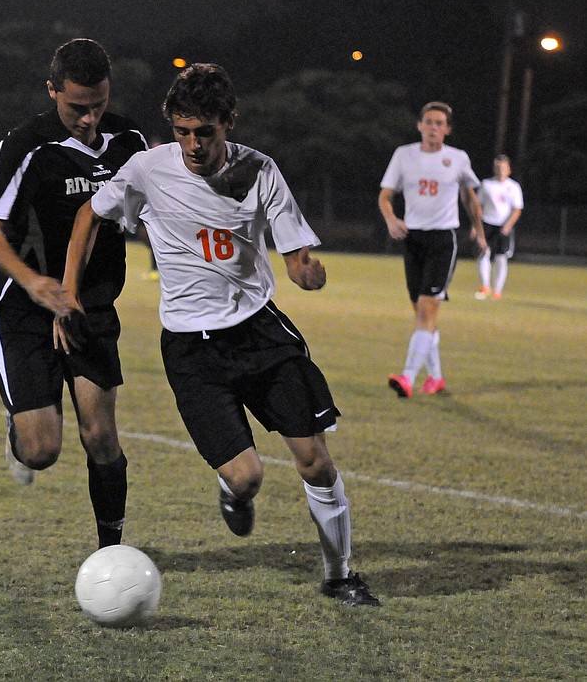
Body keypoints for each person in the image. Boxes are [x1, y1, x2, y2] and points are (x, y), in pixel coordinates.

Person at [59, 63, 379, 605]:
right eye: (182, 131)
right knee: (248, 477)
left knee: (314, 459)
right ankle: (235, 491)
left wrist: (306, 272)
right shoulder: (146, 170)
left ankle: (339, 576)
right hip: (190, 349)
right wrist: (69, 291)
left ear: (227, 123)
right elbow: (89, 213)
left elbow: (297, 252)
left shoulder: (259, 170)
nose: (192, 144)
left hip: (259, 332)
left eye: (203, 132)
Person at [0, 39, 147, 550]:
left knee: (99, 434)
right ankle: (18, 431)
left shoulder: (129, 142)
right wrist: (35, 284)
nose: (90, 119)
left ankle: (110, 554)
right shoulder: (27, 144)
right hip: (26, 308)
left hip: (90, 307)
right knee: (42, 451)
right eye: (77, 107)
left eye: (98, 104)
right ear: (52, 91)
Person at [378, 101, 487, 398]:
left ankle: (407, 378)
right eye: (429, 122)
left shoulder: (458, 159)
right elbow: (385, 196)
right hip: (414, 240)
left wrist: (478, 229)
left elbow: (469, 197)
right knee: (421, 314)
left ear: (447, 130)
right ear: (419, 126)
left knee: (426, 310)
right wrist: (391, 219)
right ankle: (436, 378)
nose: (433, 128)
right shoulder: (404, 155)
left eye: (440, 123)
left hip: (442, 241)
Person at [472, 154, 523, 300]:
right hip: (487, 223)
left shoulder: (513, 187)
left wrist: (508, 225)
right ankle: (485, 285)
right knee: (483, 253)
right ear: (494, 169)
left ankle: (497, 291)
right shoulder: (487, 184)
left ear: (509, 170)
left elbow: (517, 209)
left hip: (504, 226)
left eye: (503, 168)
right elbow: (478, 206)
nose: (500, 170)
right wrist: (476, 226)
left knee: (501, 258)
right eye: (498, 167)